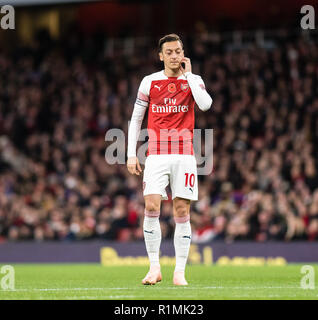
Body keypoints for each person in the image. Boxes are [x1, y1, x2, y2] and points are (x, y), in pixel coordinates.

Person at [127, 34, 212, 285]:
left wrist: (190, 77)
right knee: (152, 206)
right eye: (170, 52)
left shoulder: (193, 80)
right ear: (161, 55)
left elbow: (205, 105)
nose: (175, 56)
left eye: (179, 51)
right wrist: (132, 153)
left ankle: (180, 272)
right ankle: (154, 268)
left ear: (183, 53)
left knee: (182, 210)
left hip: (184, 154)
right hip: (156, 154)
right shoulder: (150, 82)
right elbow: (136, 118)